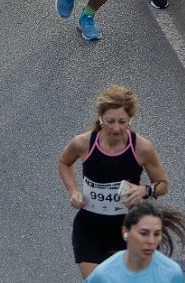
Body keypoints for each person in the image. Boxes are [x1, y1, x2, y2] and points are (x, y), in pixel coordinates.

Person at [58, 85, 171, 278]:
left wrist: (144, 190)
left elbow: (162, 184)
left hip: (130, 229)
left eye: (122, 121)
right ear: (100, 117)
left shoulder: (141, 148)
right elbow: (64, 163)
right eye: (110, 121)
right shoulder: (83, 143)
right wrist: (73, 191)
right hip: (90, 230)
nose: (116, 128)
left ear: (130, 119)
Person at [87, 204, 185, 283]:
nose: (151, 241)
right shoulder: (103, 275)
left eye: (156, 234)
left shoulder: (172, 273)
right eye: (144, 233)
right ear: (125, 232)